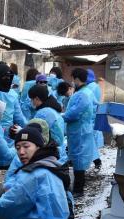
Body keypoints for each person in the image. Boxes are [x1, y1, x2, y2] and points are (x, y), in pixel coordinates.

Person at [63, 68, 96, 197]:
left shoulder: (82, 94)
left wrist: (62, 116)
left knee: (78, 160)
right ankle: (78, 187)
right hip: (81, 130)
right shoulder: (86, 91)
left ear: (76, 79)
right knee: (79, 159)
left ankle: (78, 189)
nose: (72, 82)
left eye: (73, 79)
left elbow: (74, 113)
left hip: (79, 131)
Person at [0, 62, 27, 145]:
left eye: (9, 76)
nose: (7, 78)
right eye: (5, 76)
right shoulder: (12, 95)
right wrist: (27, 127)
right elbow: (19, 119)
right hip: (7, 137)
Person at [27, 84, 66, 162]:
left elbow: (33, 133)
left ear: (37, 99)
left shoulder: (43, 113)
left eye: (31, 99)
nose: (31, 102)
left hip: (49, 152)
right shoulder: (52, 109)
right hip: (58, 151)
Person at [86, 69, 104, 169]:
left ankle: (96, 161)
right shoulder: (96, 86)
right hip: (94, 117)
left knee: (89, 141)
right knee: (91, 141)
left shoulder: (88, 88)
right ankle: (96, 161)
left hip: (89, 118)